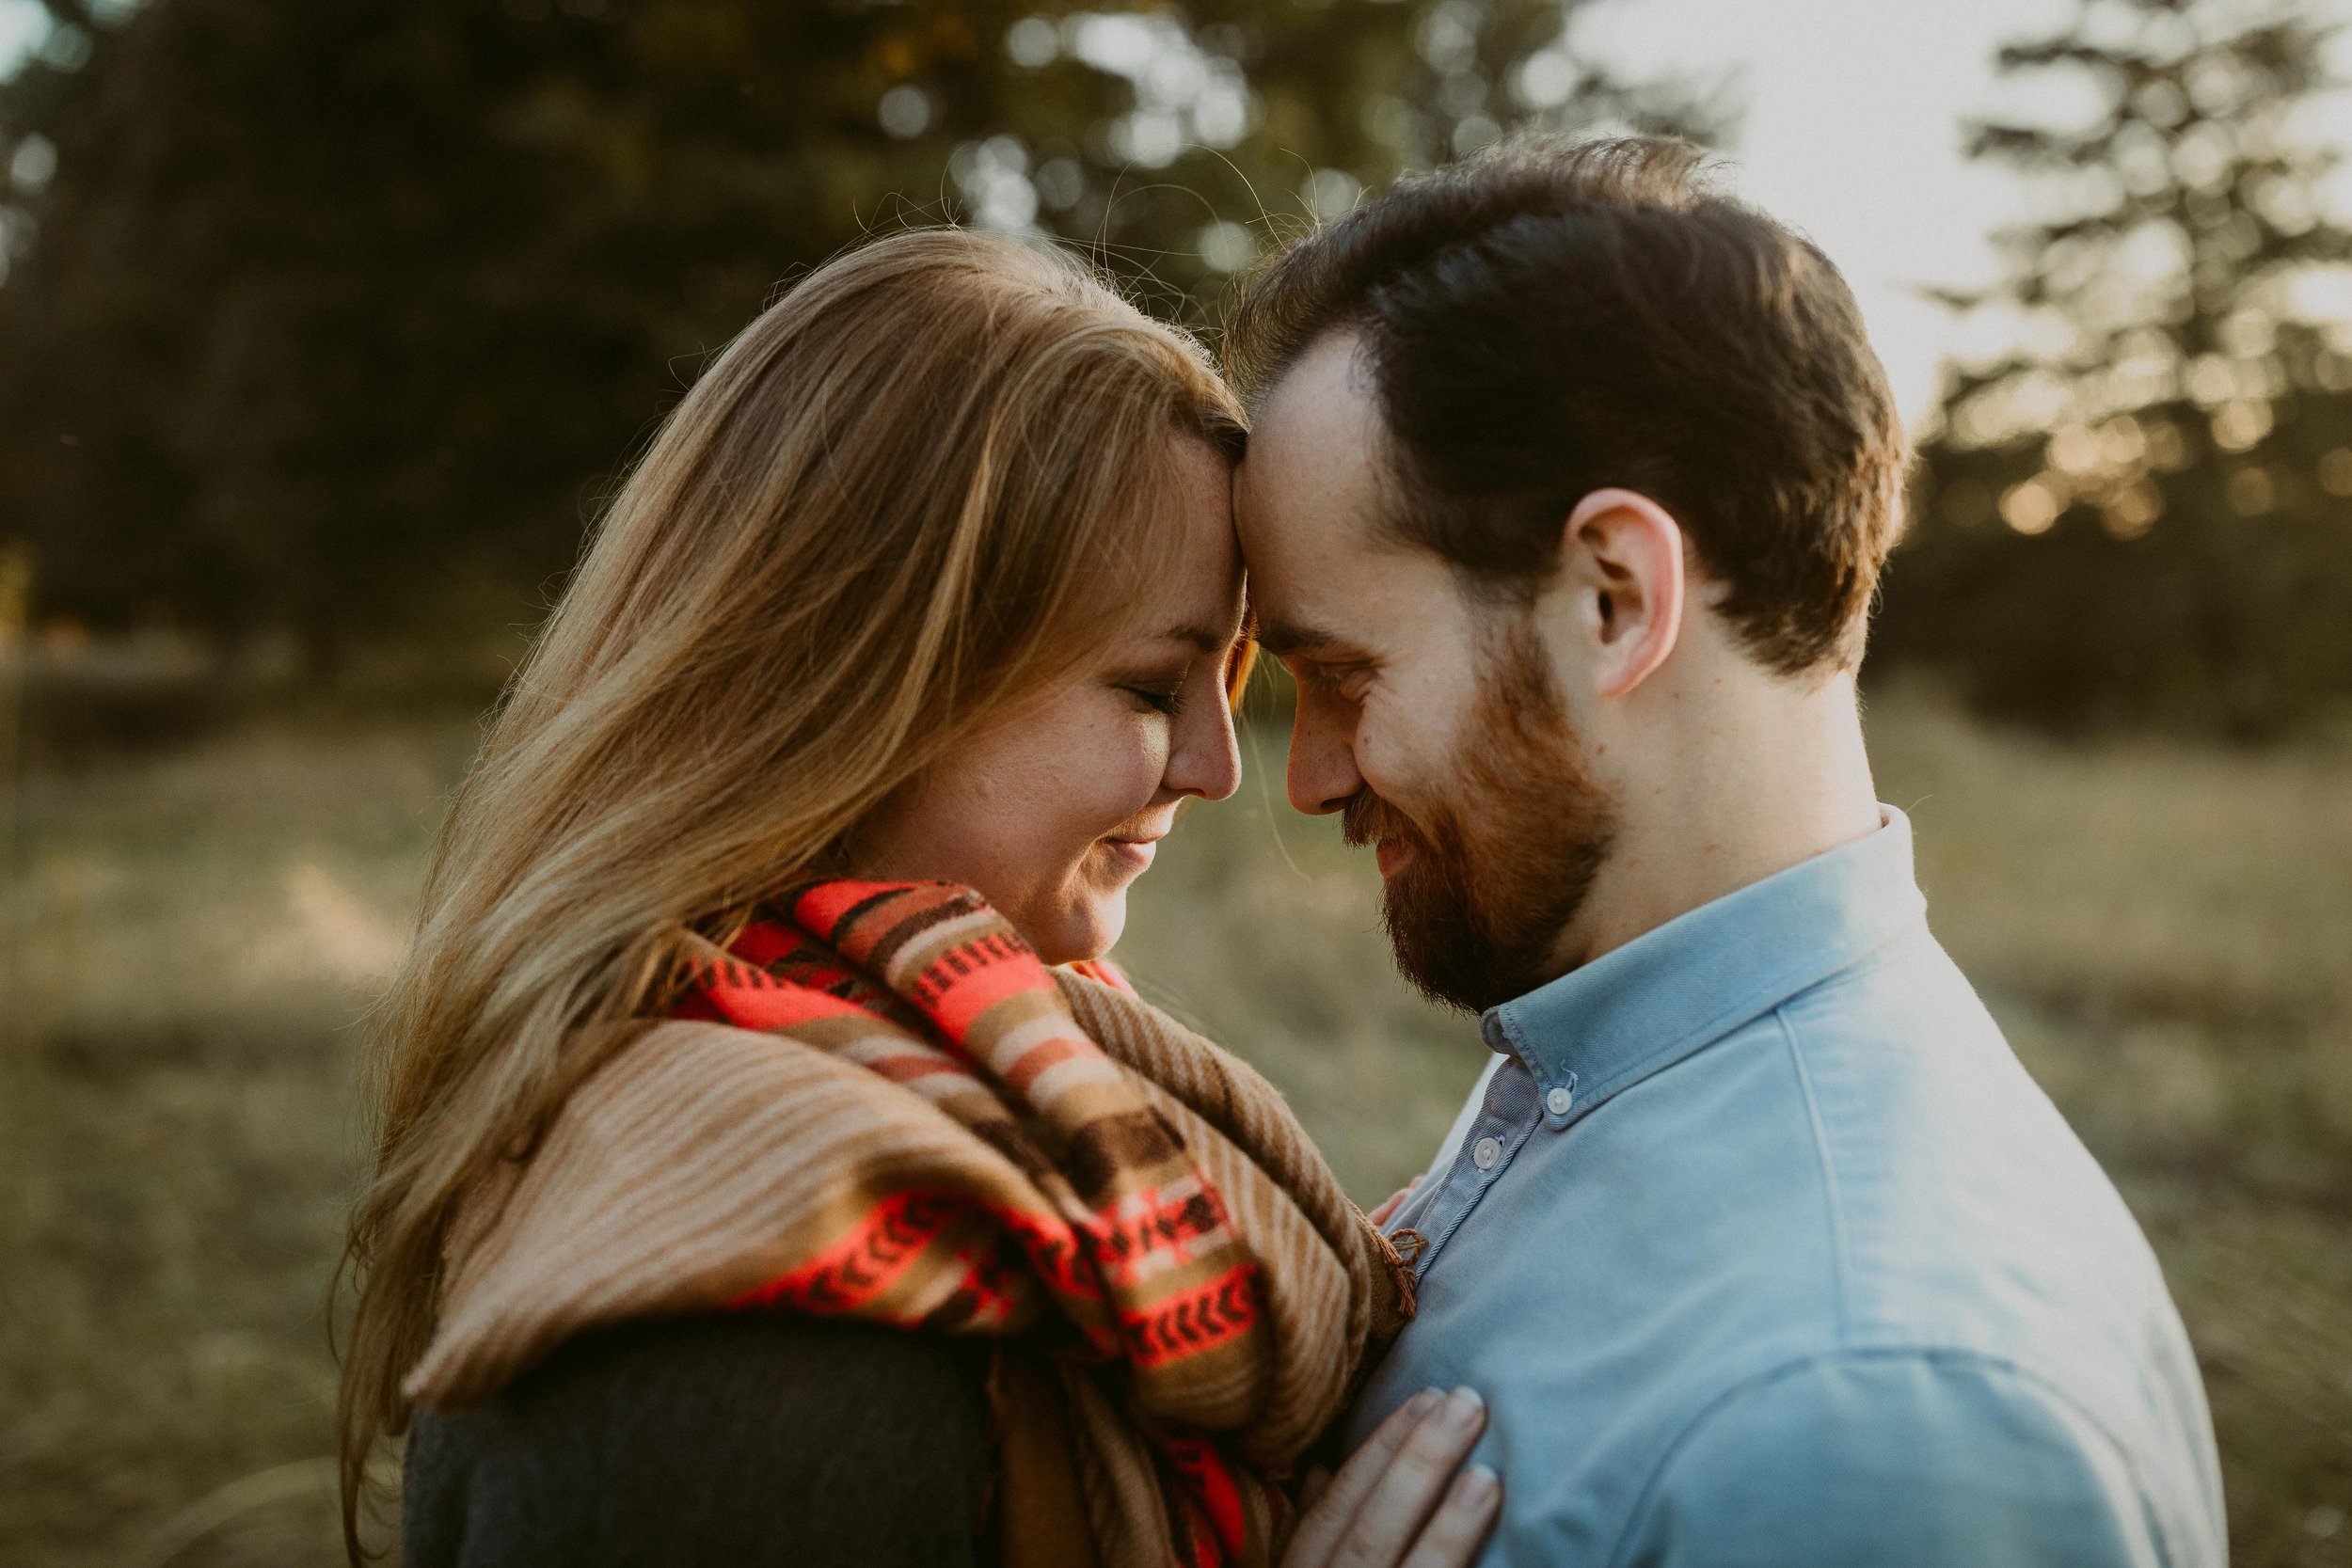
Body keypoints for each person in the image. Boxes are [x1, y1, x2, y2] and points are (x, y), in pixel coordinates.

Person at [337, 228, 1501, 1568]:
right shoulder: (749, 1337)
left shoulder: (1001, 1084)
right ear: (865, 675)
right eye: (1147, 686)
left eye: (1231, 684)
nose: (1217, 767)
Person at [1225, 135, 2227, 1567]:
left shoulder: (1870, 1422)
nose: (1310, 774)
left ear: (1615, 600)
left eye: (1344, 674)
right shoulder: (1605, 1054)